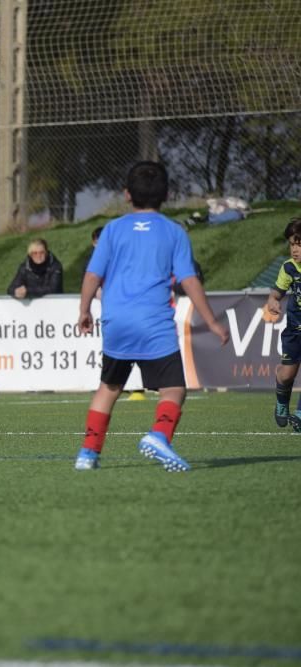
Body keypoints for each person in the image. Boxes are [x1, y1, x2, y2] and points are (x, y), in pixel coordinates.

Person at [74, 161, 229, 472]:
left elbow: (93, 273)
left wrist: (84, 309)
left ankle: (87, 454)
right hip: (153, 323)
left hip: (116, 321)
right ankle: (159, 435)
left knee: (108, 388)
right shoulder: (173, 232)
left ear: (127, 195)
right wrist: (211, 321)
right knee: (173, 389)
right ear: (167, 194)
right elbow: (189, 280)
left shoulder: (113, 230)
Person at [266, 218, 301, 430]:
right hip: (294, 331)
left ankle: (299, 414)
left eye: (299, 243)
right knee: (287, 374)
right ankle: (281, 401)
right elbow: (276, 294)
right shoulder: (288, 267)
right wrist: (272, 302)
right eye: (292, 244)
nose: (295, 249)